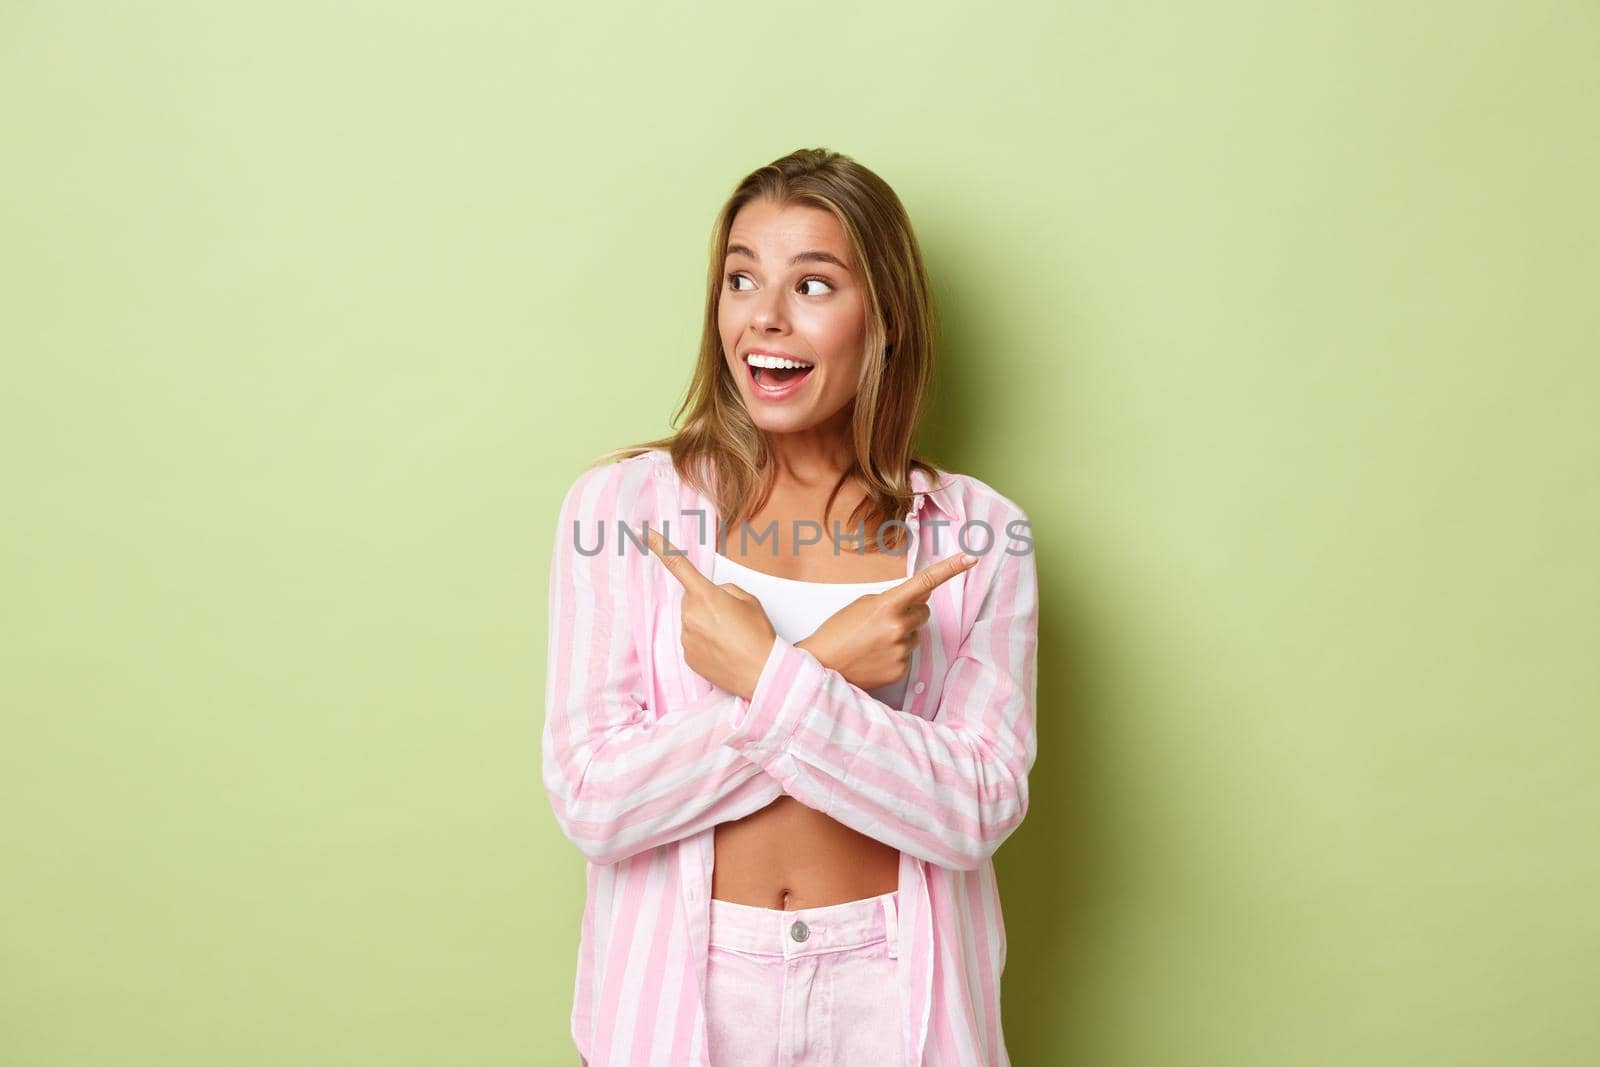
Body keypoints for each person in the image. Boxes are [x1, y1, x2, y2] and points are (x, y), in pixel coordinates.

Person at [542, 147, 1039, 1066]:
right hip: (685, 991)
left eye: (813, 285)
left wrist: (773, 674)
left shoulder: (977, 536)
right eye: (741, 278)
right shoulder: (622, 511)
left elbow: (976, 805)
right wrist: (830, 662)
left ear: (883, 321)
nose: (763, 317)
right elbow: (594, 799)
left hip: (891, 990)